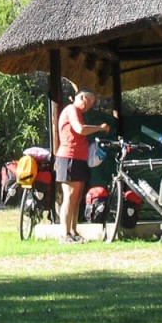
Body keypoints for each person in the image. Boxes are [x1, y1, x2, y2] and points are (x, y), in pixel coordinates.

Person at [54, 89, 110, 243]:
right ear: (82, 97)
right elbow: (80, 129)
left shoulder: (78, 112)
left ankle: (73, 231)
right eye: (90, 101)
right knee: (69, 196)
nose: (90, 106)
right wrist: (100, 128)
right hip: (69, 157)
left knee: (77, 198)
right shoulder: (71, 110)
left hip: (79, 159)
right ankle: (64, 234)